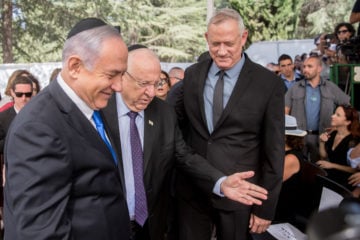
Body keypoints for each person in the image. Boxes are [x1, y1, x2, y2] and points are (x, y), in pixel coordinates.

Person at [102, 46, 269, 240]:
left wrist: (220, 182)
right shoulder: (99, 112)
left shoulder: (163, 113)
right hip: (107, 225)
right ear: (122, 76)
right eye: (143, 83)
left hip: (150, 225)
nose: (151, 93)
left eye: (156, 84)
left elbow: (184, 155)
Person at [3, 18, 131, 240]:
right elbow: (40, 233)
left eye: (122, 75)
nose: (119, 86)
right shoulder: (38, 128)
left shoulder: (91, 105)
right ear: (75, 67)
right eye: (111, 75)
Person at [174, 8, 285, 240]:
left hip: (240, 197)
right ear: (206, 39)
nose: (221, 51)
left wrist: (265, 208)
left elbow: (274, 152)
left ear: (243, 38)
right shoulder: (193, 75)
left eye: (229, 43)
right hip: (192, 192)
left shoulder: (268, 84)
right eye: (215, 44)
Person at [285, 55, 350, 162]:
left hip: (322, 137)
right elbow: (285, 112)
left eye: (310, 66)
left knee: (320, 170)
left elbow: (347, 107)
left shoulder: (331, 87)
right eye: (304, 66)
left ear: (319, 68)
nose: (305, 69)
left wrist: (336, 127)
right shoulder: (294, 88)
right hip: (299, 137)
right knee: (300, 167)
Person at [317, 104, 360, 190]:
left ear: (348, 122)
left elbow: (355, 170)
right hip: (331, 176)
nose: (332, 116)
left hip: (345, 181)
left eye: (338, 115)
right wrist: (321, 143)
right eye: (334, 113)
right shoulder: (332, 134)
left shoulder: (353, 141)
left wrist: (332, 165)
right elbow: (324, 156)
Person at [274, 115, 307, 225]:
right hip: (274, 201)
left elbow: (270, 183)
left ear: (284, 137)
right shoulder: (280, 152)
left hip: (281, 209)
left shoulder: (291, 158)